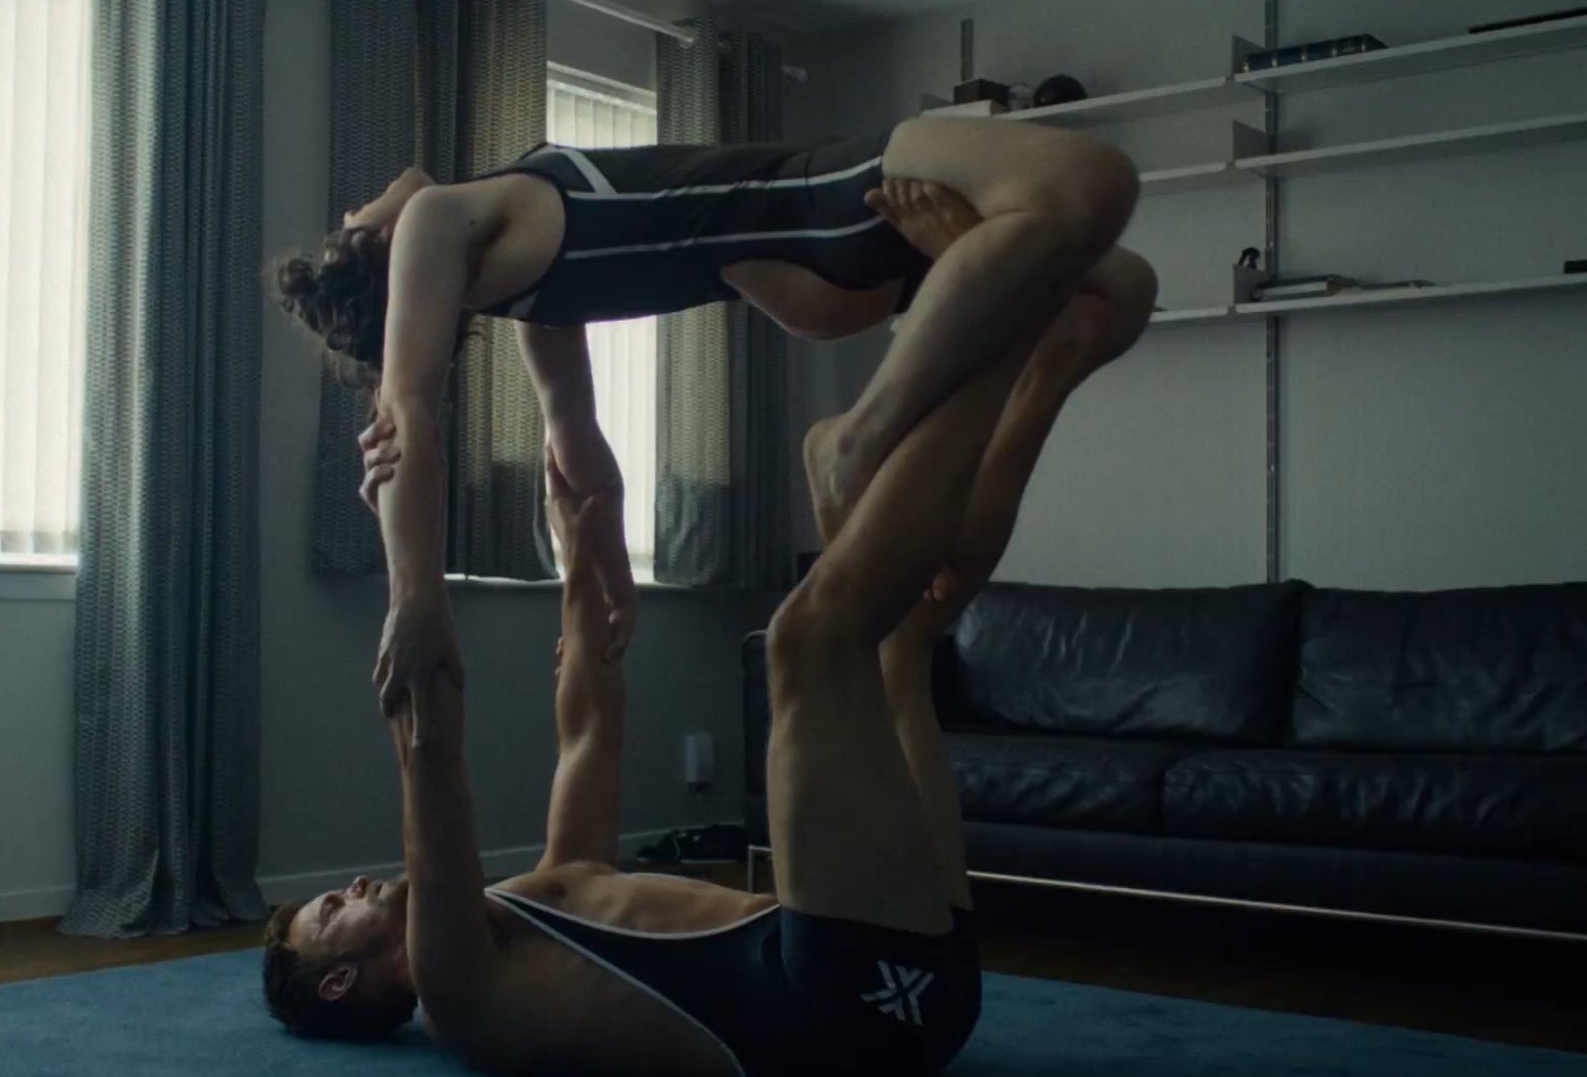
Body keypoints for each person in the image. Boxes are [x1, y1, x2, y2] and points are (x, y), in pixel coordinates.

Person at [262, 184, 1156, 1077]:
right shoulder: (461, 999)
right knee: (805, 643)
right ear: (339, 982)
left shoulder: (535, 905)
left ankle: (1050, 358)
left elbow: (588, 730)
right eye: (330, 910)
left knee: (903, 645)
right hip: (850, 1007)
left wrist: (581, 555)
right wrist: (410, 591)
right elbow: (432, 766)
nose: (353, 886)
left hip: (909, 972)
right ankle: (1004, 310)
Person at [275, 115, 1153, 747]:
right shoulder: (437, 223)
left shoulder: (532, 299)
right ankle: (855, 442)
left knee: (1113, 295)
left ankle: (935, 423)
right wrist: (415, 599)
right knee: (1093, 182)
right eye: (351, 222)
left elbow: (582, 463)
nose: (359, 203)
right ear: (381, 249)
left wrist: (613, 584)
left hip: (808, 267)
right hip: (818, 204)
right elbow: (409, 419)